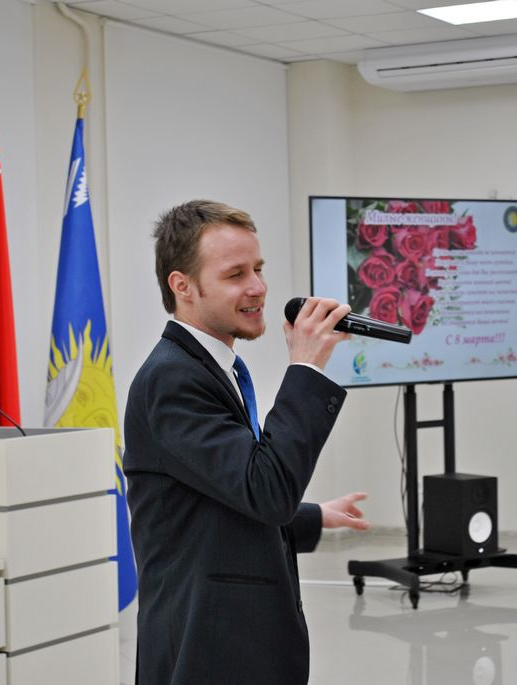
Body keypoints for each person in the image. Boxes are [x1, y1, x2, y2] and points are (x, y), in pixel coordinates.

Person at [124, 199, 370, 685]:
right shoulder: (172, 379)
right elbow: (266, 490)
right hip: (207, 651)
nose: (258, 287)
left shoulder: (212, 368)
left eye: (258, 268)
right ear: (182, 286)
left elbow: (224, 493)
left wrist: (311, 516)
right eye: (235, 274)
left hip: (232, 644)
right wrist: (305, 369)